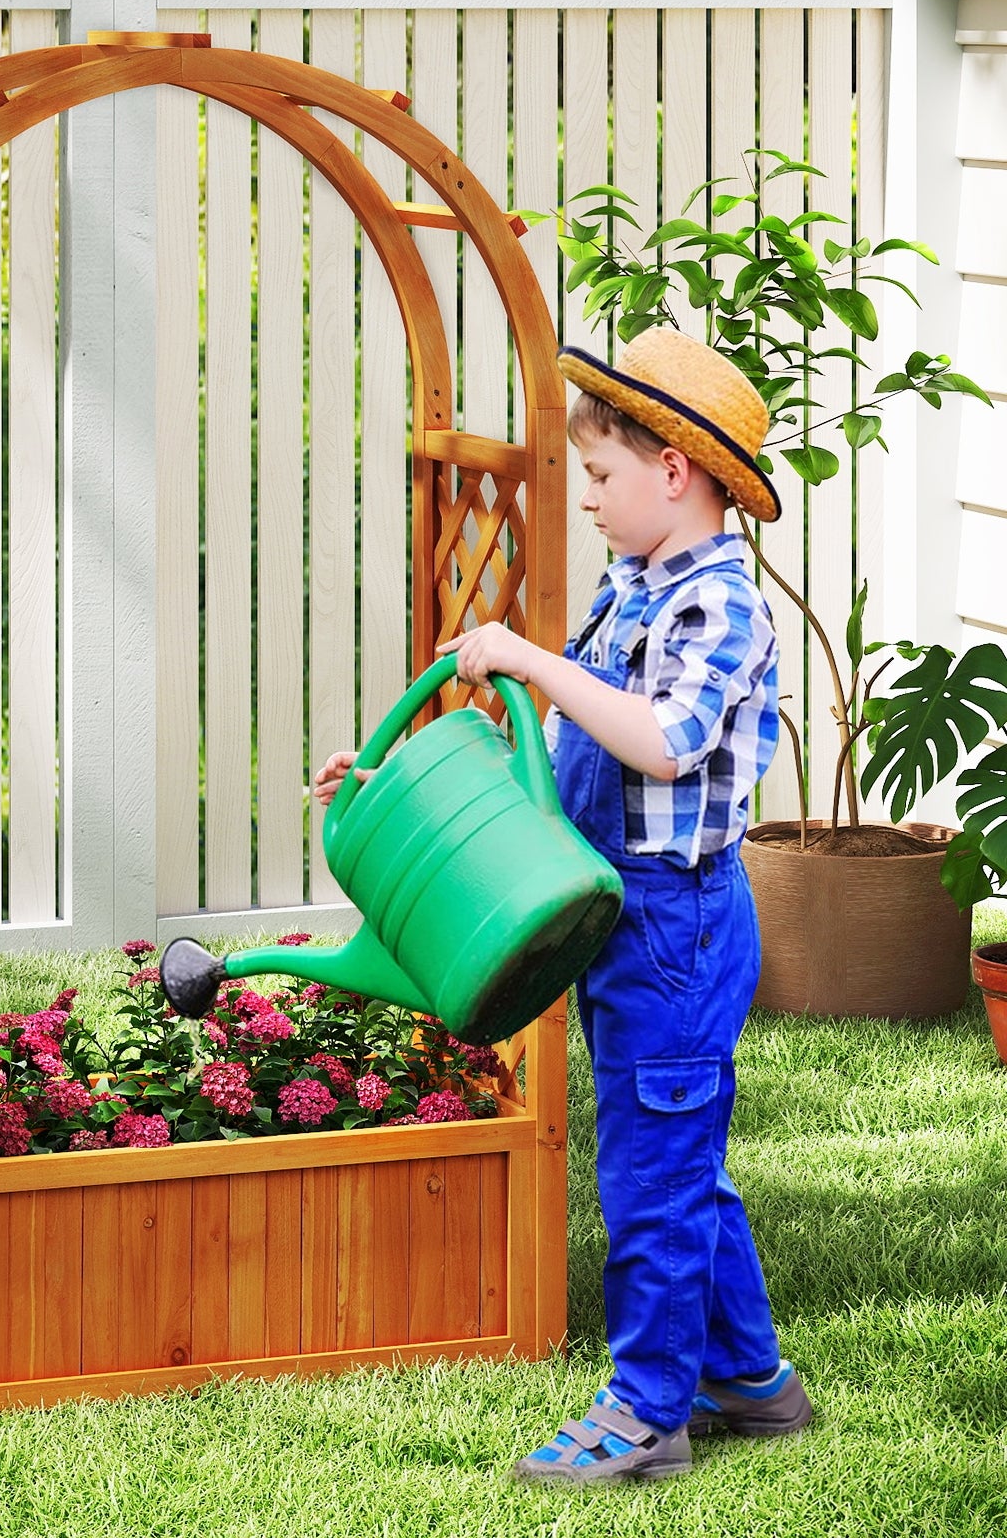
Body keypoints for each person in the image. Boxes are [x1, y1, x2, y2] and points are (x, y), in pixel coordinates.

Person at [314, 328, 811, 1483]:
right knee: (674, 1154)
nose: (583, 497)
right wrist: (399, 785)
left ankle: (649, 1411)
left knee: (651, 1170)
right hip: (615, 914)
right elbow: (560, 749)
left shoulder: (718, 608)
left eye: (598, 475)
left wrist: (535, 662)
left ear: (673, 472)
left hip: (676, 925)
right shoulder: (633, 582)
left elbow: (664, 742)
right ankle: (750, 1376)